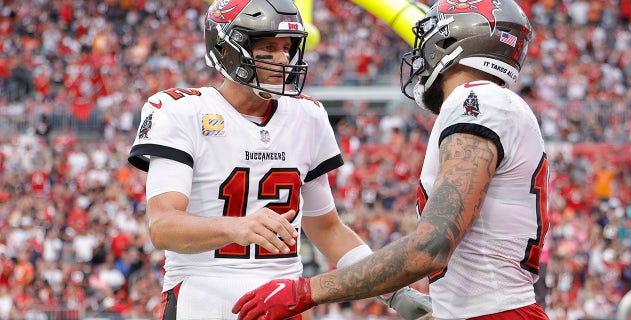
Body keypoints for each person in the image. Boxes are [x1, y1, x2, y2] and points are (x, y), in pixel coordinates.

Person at [232, 0, 551, 319]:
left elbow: (431, 246)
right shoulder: (493, 103)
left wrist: (306, 291)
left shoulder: (477, 100)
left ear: (449, 42)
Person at [127, 0, 430, 319]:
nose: (283, 58)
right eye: (268, 48)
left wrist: (390, 289)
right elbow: (163, 226)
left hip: (281, 299)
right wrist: (235, 228)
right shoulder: (181, 111)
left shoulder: (307, 115)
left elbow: (328, 229)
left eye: (287, 47)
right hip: (201, 297)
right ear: (228, 49)